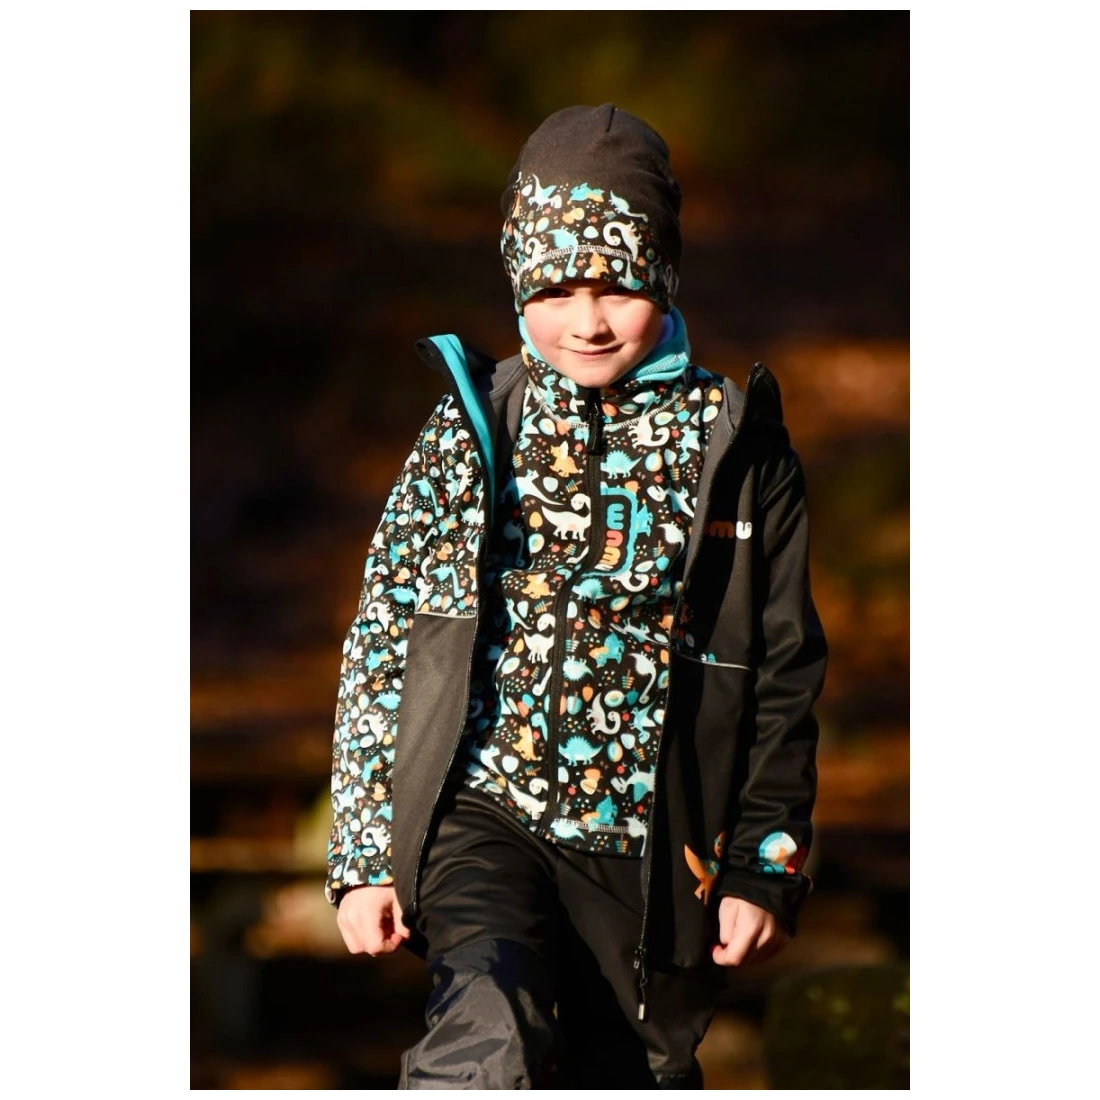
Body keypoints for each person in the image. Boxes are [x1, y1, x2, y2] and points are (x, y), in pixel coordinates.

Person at [326, 103, 827, 1089]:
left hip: (653, 849)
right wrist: (363, 852)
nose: (586, 321)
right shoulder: (476, 425)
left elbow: (781, 671)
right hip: (484, 809)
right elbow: (386, 633)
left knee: (628, 1072)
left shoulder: (738, 448)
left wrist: (764, 862)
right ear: (517, 282)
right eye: (554, 290)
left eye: (617, 286)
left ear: (664, 276)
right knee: (486, 1033)